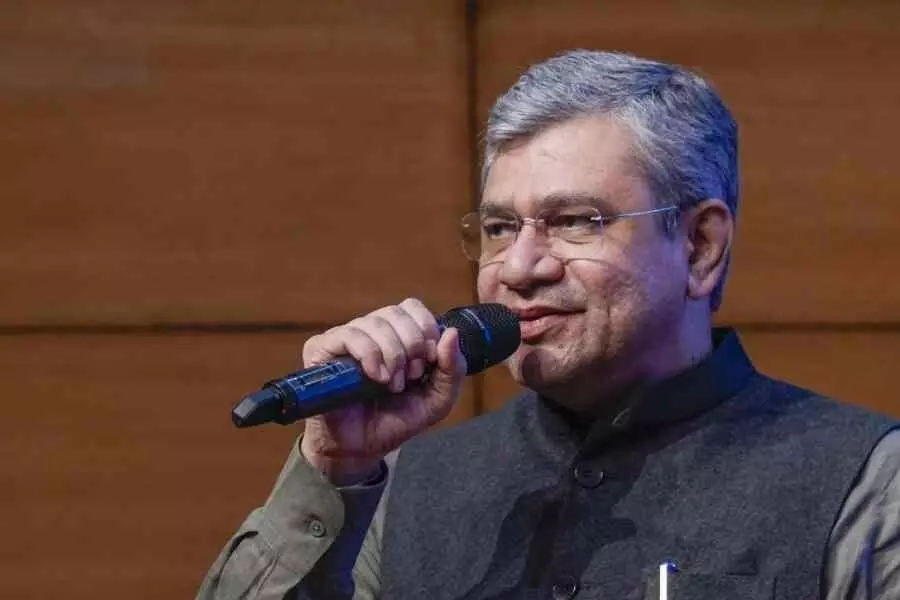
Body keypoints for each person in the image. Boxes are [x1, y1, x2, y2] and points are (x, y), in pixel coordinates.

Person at [198, 50, 900, 600]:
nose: (520, 267)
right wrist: (333, 469)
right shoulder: (411, 486)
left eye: (575, 221)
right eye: (500, 228)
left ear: (699, 247)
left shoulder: (864, 480)